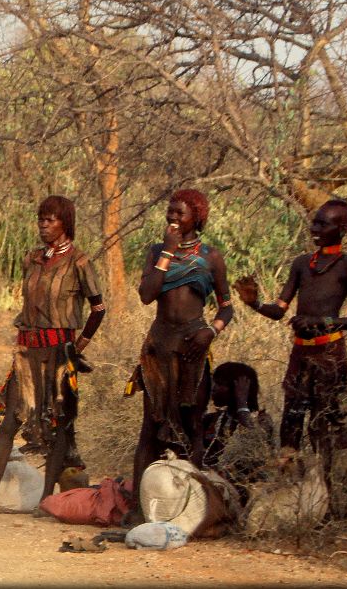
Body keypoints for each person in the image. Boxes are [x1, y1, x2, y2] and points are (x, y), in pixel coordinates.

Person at [0, 195, 106, 517]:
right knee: (11, 421)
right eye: (41, 219)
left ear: (65, 223)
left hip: (59, 355)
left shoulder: (80, 263)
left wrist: (79, 346)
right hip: (27, 353)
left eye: (51, 220)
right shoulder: (31, 260)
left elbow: (98, 308)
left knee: (57, 424)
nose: (43, 225)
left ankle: (45, 501)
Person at [233, 198, 347, 487]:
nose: (314, 228)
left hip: (330, 354)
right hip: (300, 355)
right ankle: (289, 491)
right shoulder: (302, 264)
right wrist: (254, 303)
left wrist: (322, 323)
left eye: (322, 223)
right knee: (290, 423)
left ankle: (323, 493)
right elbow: (279, 310)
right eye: (314, 221)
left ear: (342, 228)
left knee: (322, 426)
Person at [128, 188, 233, 521]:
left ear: (197, 217)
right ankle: (137, 511)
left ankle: (191, 510)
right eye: (170, 211)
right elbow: (147, 294)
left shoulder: (211, 257)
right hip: (159, 346)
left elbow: (227, 308)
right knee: (150, 427)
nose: (173, 217)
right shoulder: (156, 251)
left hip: (193, 347)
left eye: (180, 213)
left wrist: (211, 331)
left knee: (192, 426)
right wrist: (168, 253)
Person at [201, 361, 276, 503]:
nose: (214, 389)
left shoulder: (262, 421)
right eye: (214, 383)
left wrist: (242, 403)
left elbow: (253, 442)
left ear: (238, 390)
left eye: (220, 384)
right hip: (212, 490)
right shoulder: (212, 420)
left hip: (247, 494)